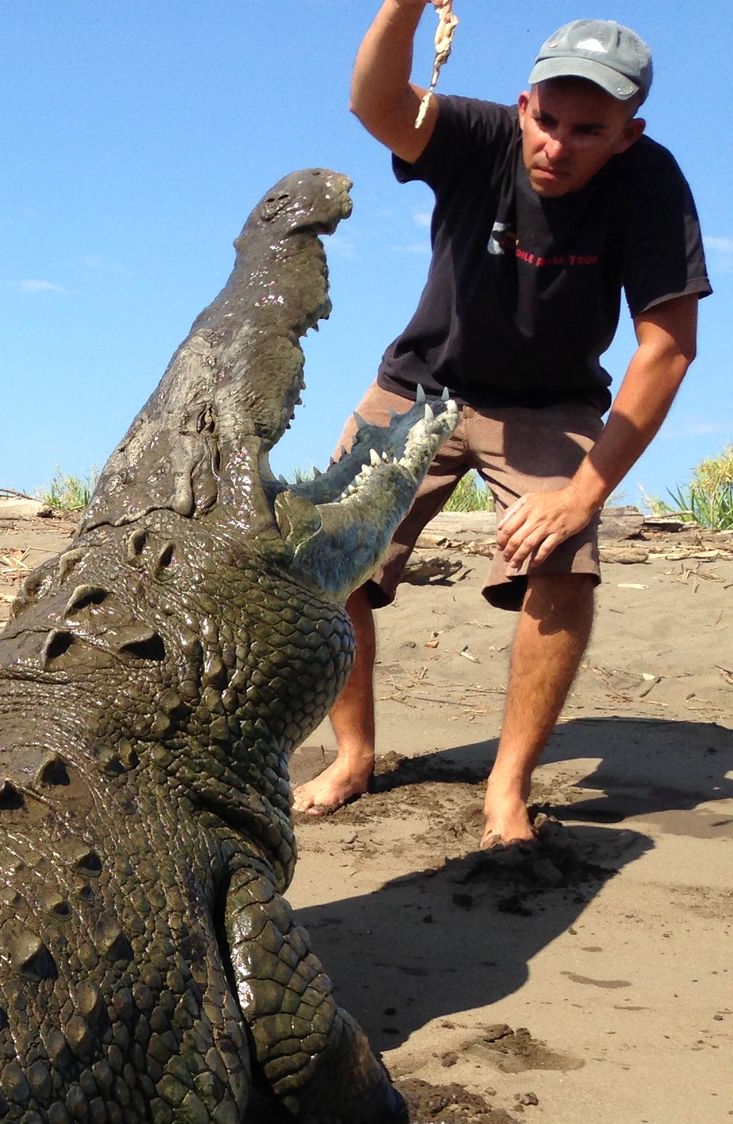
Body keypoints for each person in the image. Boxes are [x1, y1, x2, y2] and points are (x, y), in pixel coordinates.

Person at [292, 6, 709, 845]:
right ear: (523, 107)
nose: (555, 145)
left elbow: (665, 349)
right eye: (545, 121)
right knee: (329, 557)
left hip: (549, 403)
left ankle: (506, 788)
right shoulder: (478, 138)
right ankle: (353, 753)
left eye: (586, 130)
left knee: (564, 559)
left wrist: (582, 495)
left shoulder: (650, 185)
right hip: (420, 385)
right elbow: (373, 103)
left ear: (627, 133)